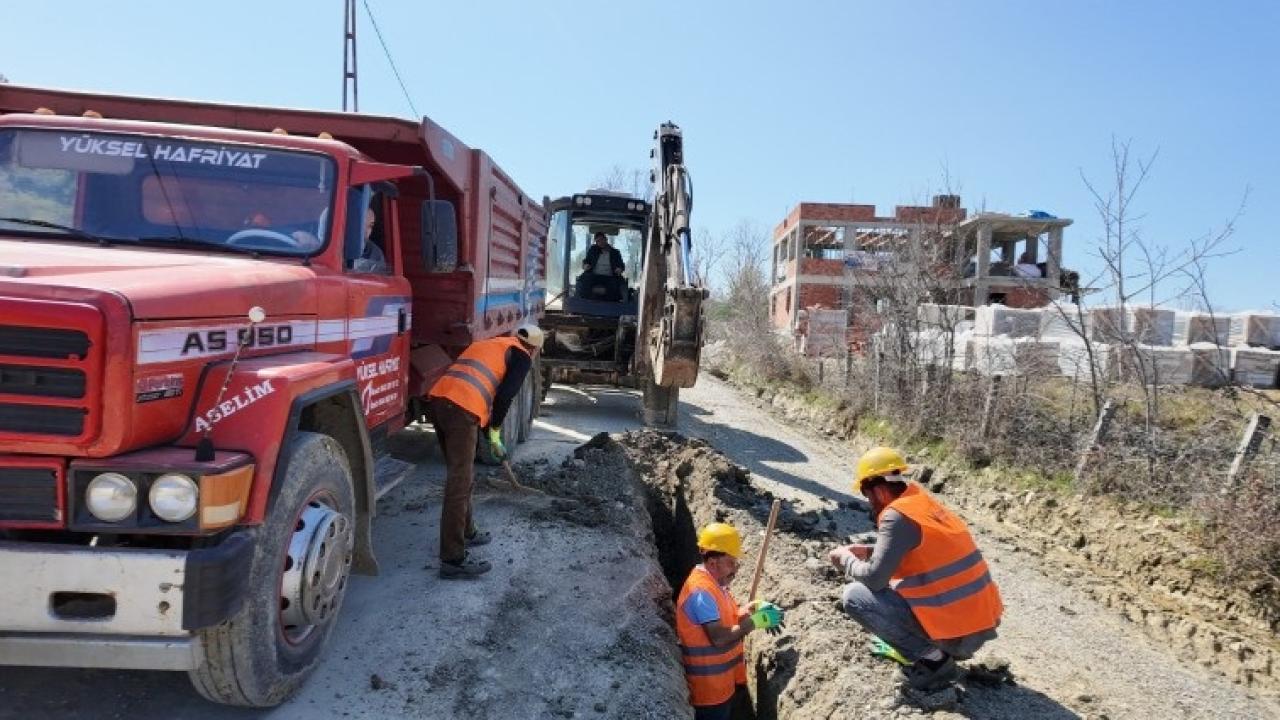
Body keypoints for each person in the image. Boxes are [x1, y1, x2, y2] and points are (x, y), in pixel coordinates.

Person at [828, 447, 1002, 692]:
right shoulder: (920, 501)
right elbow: (926, 550)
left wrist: (846, 559)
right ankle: (937, 649)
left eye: (867, 494)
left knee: (855, 596)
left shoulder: (896, 516)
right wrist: (869, 550)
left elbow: (875, 579)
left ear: (878, 489)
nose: (869, 502)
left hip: (955, 635)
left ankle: (934, 661)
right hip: (978, 625)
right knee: (893, 584)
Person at [426, 323, 544, 579]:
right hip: (462, 410)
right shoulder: (523, 356)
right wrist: (495, 433)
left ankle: (467, 531)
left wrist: (489, 431)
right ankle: (453, 559)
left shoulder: (492, 344)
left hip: (438, 402)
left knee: (462, 475)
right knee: (459, 483)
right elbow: (505, 396)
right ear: (534, 349)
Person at [676, 523, 784, 720]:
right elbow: (718, 638)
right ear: (713, 563)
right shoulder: (701, 592)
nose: (736, 569)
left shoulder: (714, 584)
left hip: (722, 685)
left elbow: (727, 619)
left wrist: (752, 608)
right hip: (708, 692)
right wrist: (754, 622)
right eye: (731, 563)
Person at [577, 232, 626, 300]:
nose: (600, 242)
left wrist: (619, 269)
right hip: (594, 275)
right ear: (596, 242)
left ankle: (611, 304)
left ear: (606, 239)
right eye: (598, 241)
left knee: (615, 286)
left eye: (602, 239)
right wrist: (585, 265)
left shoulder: (615, 252)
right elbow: (586, 261)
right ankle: (585, 302)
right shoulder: (593, 250)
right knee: (584, 282)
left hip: (610, 276)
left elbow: (621, 265)